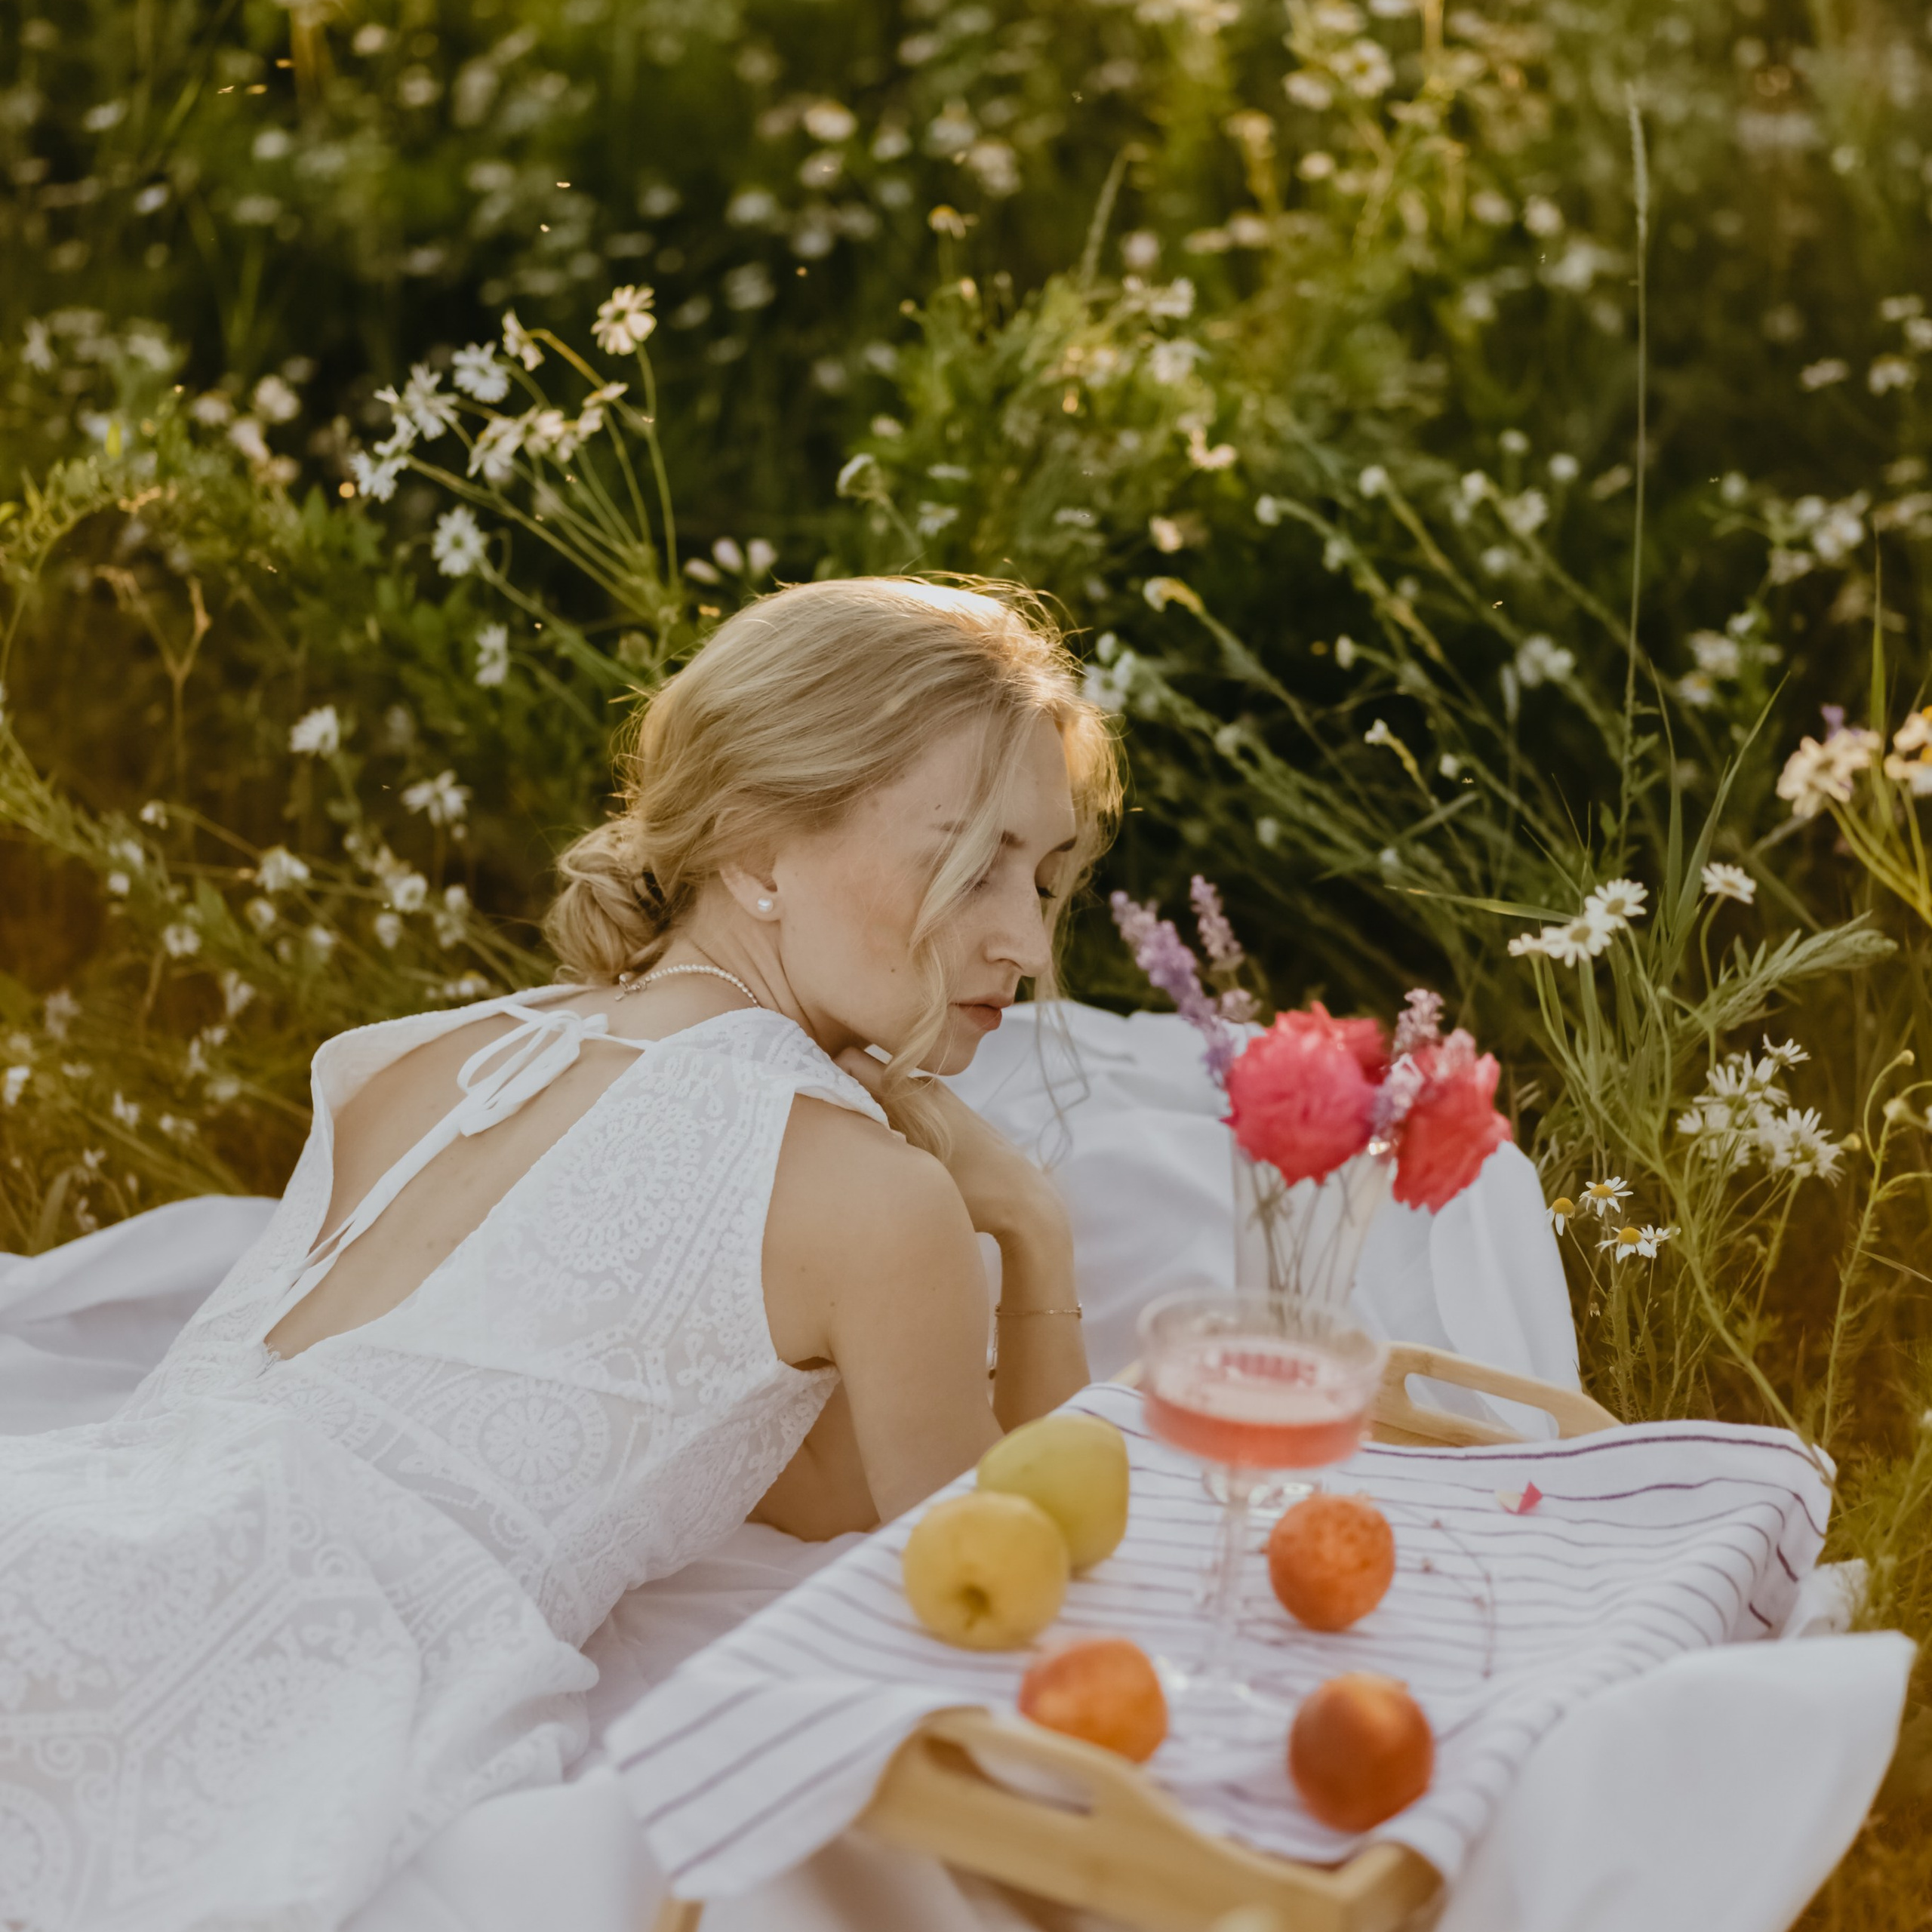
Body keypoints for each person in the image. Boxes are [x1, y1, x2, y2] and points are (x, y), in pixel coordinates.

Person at [0, 577, 1120, 1932]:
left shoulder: (420, 1059)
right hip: (280, 1649)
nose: (1028, 942)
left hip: (69, 1528)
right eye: (973, 862)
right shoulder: (874, 1203)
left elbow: (783, 1472)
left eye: (1044, 878)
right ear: (758, 852)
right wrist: (1030, 1233)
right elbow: (1010, 1585)